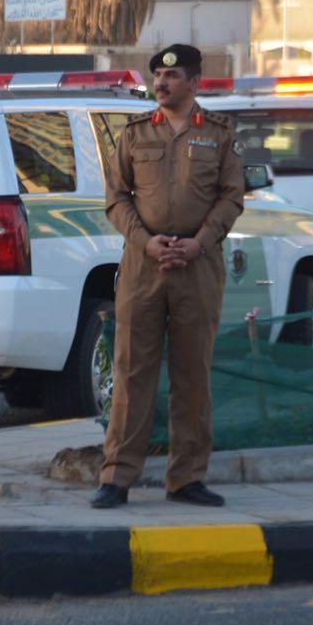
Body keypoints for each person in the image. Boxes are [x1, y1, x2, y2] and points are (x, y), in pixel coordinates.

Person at [91, 44, 245, 509]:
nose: (161, 82)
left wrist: (200, 241)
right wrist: (146, 241)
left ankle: (187, 478)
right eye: (157, 74)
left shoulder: (219, 133)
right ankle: (117, 477)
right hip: (144, 266)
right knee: (132, 373)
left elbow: (231, 196)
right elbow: (116, 198)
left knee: (191, 374)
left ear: (194, 83)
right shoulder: (135, 133)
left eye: (172, 76)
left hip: (198, 265)